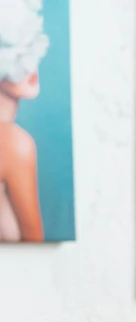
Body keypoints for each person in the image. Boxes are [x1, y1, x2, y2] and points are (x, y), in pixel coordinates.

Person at [0, 0, 48, 242]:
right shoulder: (13, 143)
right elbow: (35, 245)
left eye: (32, 49)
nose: (31, 66)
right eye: (17, 54)